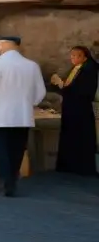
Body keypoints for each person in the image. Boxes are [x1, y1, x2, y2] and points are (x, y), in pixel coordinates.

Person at [0, 36, 47, 197]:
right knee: (16, 149)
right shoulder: (32, 65)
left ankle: (5, 181)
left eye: (0, 45)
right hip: (22, 115)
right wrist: (29, 103)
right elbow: (40, 92)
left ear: (4, 45)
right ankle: (11, 179)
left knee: (0, 149)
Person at [51, 45, 98, 176]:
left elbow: (81, 90)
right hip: (73, 108)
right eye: (71, 55)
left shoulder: (88, 70)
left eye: (76, 56)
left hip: (80, 109)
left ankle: (81, 167)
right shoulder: (77, 68)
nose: (72, 58)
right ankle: (70, 166)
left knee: (81, 137)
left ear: (84, 57)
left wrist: (61, 84)